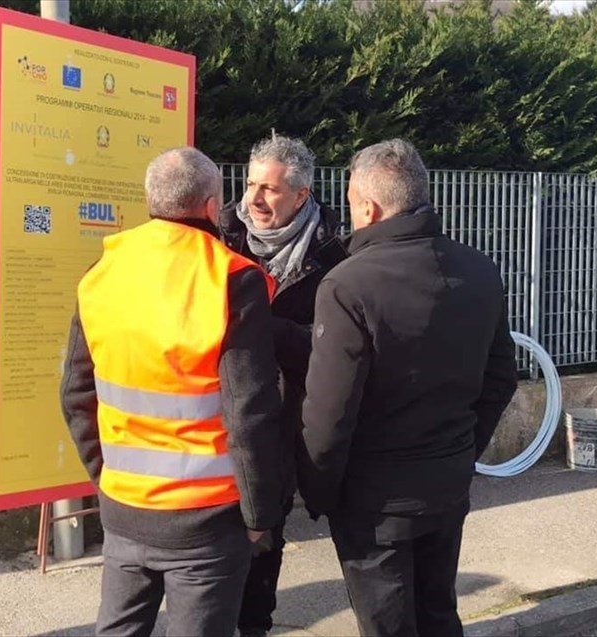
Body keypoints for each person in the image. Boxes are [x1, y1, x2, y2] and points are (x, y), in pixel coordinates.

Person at [298, 139, 518, 637]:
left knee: (389, 626)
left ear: (367, 206)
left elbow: (329, 412)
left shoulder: (347, 284)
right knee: (439, 615)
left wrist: (319, 490)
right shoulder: (479, 269)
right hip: (446, 484)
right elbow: (501, 376)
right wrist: (462, 451)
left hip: (374, 501)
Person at [60, 147, 284, 637]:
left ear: (149, 201)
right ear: (210, 207)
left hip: (124, 511)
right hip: (208, 523)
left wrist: (109, 480)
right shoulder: (232, 279)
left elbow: (75, 394)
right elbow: (250, 411)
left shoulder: (101, 274)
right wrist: (260, 515)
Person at [218, 134, 347, 637]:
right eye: (250, 184)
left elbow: (333, 346)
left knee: (265, 540)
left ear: (300, 195)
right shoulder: (220, 233)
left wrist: (262, 329)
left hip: (284, 419)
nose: (253, 198)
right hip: (217, 415)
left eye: (269, 189)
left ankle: (255, 626)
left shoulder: (334, 251)